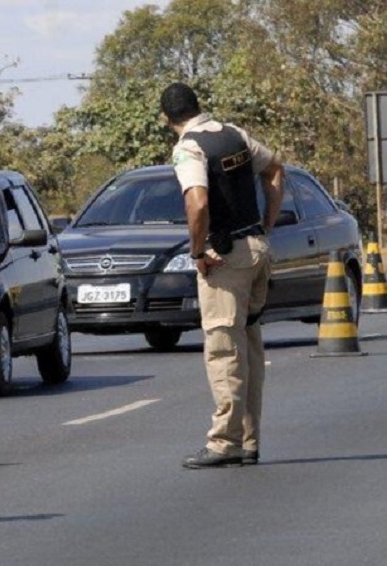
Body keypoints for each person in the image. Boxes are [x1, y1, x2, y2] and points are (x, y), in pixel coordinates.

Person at [159, 82, 284, 469]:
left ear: (166, 119)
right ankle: (249, 439)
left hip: (225, 260)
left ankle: (224, 442)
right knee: (248, 345)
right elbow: (276, 169)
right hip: (256, 250)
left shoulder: (189, 148)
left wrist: (198, 251)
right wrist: (266, 225)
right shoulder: (234, 134)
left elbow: (197, 203)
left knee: (224, 349)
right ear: (198, 107)